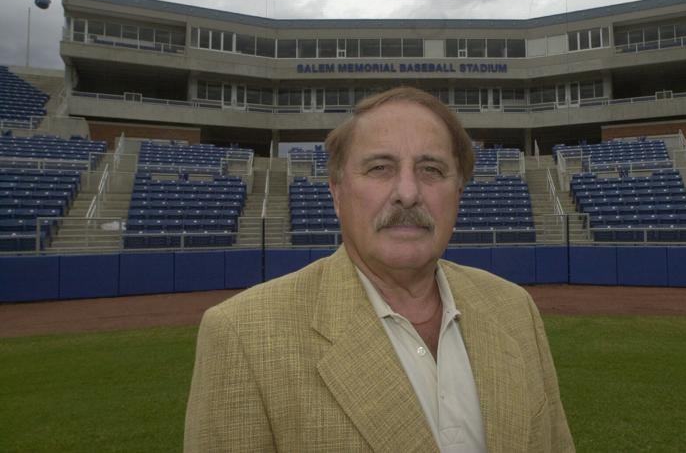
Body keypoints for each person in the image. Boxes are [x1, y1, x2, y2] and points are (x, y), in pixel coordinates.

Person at [184, 87, 574, 452]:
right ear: (337, 194)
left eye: (432, 170)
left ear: (458, 192)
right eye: (380, 168)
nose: (408, 192)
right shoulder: (242, 335)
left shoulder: (514, 308)